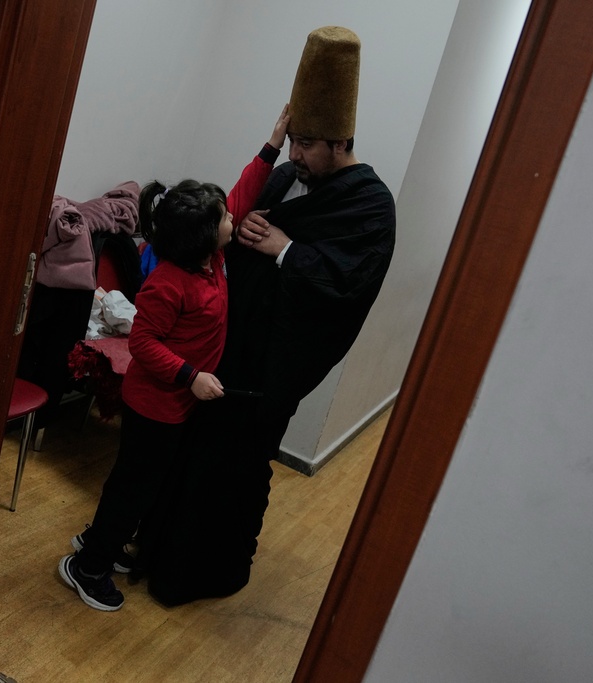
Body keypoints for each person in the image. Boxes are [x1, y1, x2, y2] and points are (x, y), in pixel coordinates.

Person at [135, 26, 397, 606]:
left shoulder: (371, 205)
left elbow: (348, 286)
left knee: (234, 475)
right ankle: (154, 551)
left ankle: (205, 575)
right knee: (189, 461)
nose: (296, 154)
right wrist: (250, 226)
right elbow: (230, 219)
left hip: (266, 375)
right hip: (221, 355)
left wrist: (283, 249)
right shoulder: (289, 173)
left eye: (305, 143)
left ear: (338, 141)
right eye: (293, 141)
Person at [58, 108, 291, 611]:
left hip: (177, 406)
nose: (236, 217)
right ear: (204, 236)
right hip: (155, 405)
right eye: (226, 219)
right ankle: (88, 565)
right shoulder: (170, 281)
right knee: (133, 488)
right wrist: (191, 377)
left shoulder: (213, 258)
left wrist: (271, 146)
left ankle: (101, 540)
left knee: (140, 485)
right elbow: (143, 345)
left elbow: (241, 193)